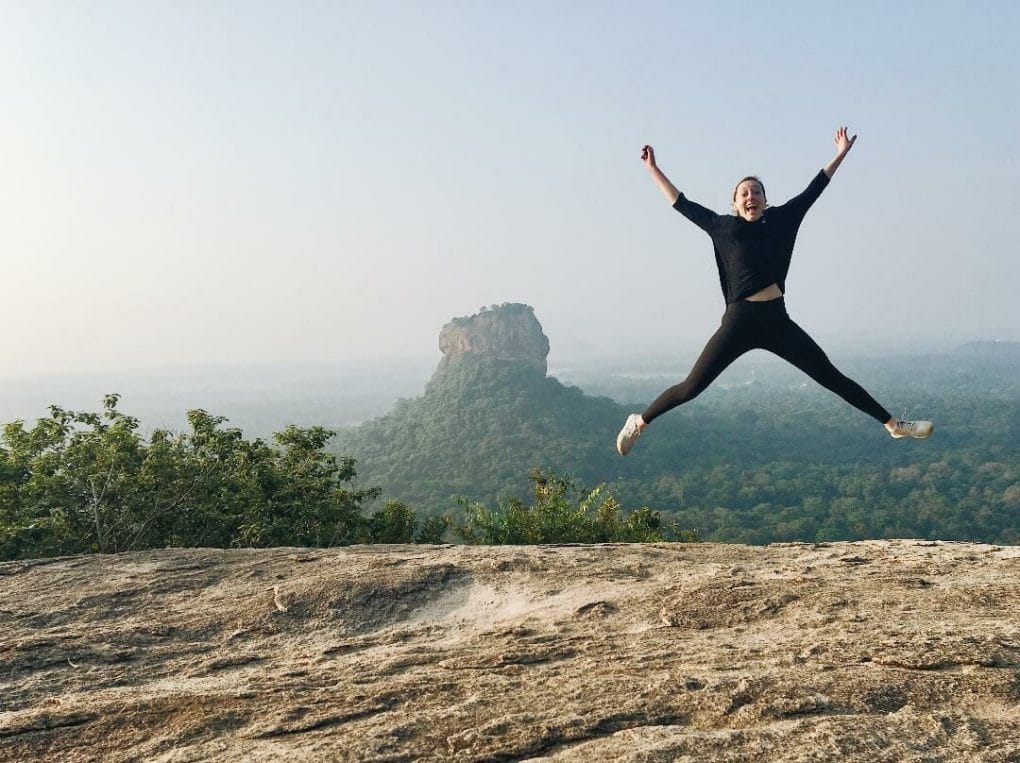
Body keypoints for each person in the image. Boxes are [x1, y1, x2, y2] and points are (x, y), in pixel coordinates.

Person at [616, 127, 933, 456]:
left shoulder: (783, 219)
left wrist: (840, 153)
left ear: (766, 201)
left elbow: (815, 188)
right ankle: (639, 422)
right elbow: (681, 203)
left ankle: (893, 424)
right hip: (738, 322)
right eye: (744, 193)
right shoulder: (721, 226)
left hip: (777, 321)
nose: (750, 196)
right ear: (735, 203)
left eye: (756, 192)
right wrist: (653, 169)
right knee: (691, 387)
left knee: (831, 377)